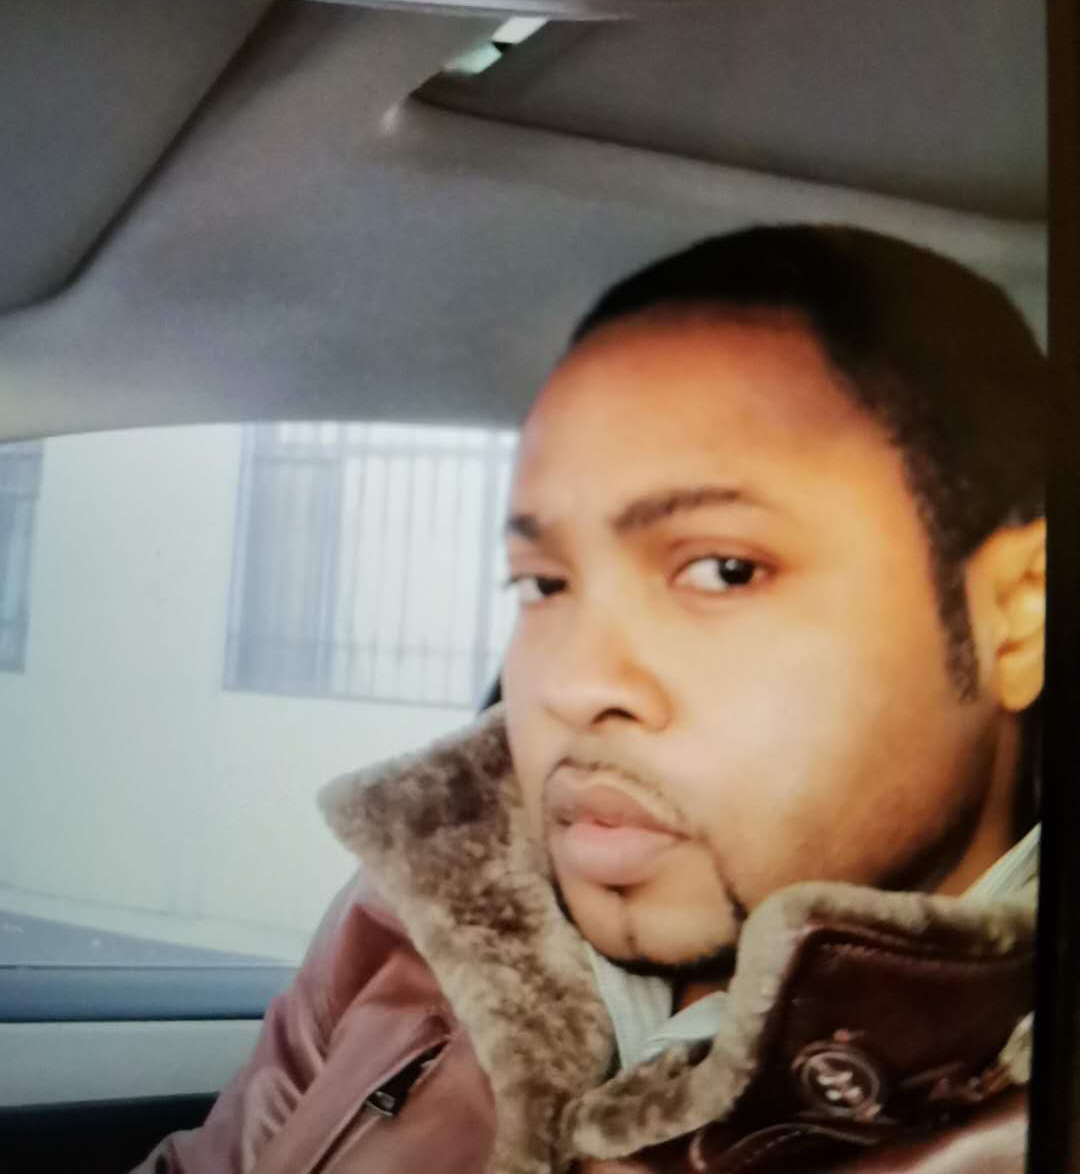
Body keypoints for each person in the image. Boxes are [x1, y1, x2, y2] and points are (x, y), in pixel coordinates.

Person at [140, 224, 1044, 1174]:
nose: (571, 684)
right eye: (545, 583)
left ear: (1018, 618)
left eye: (723, 569)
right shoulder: (420, 914)